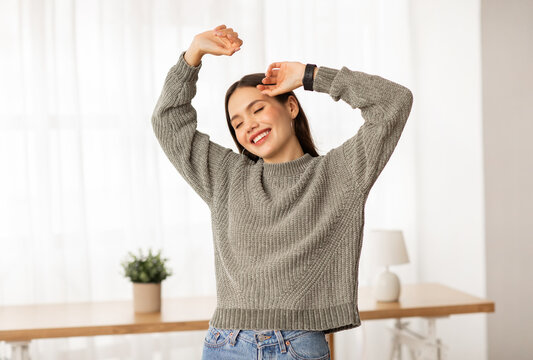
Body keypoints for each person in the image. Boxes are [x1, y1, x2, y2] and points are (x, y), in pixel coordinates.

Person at [151, 24, 413, 360]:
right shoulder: (226, 177)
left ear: (291, 107)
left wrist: (310, 76)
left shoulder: (340, 174)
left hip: (298, 346)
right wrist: (192, 57)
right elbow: (169, 121)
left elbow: (393, 103)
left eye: (257, 109)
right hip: (226, 344)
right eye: (237, 123)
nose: (249, 126)